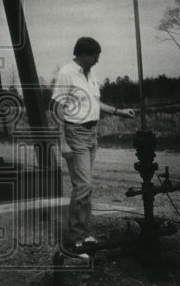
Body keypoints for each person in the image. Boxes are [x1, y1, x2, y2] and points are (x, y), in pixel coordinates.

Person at [52, 36, 135, 259]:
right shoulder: (67, 73)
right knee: (83, 186)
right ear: (84, 55)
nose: (98, 60)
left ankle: (84, 233)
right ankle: (75, 241)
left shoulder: (91, 74)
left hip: (91, 134)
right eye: (95, 56)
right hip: (75, 133)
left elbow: (94, 102)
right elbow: (57, 108)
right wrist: (62, 141)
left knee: (86, 187)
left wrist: (119, 111)